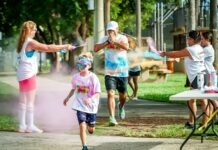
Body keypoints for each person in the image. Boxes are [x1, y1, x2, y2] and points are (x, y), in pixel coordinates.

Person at [16, 20, 75, 133]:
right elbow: (47, 48)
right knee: (30, 101)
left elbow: (47, 47)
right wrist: (66, 46)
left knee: (23, 101)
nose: (35, 31)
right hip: (28, 74)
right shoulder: (30, 42)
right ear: (29, 30)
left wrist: (58, 48)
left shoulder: (22, 42)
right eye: (34, 30)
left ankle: (22, 125)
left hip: (22, 74)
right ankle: (30, 125)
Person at [159, 30, 209, 129]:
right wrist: (180, 58)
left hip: (198, 77)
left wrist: (164, 53)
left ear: (193, 39)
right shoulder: (198, 48)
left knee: (202, 100)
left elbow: (176, 53)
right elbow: (187, 56)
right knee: (192, 100)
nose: (187, 40)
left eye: (189, 39)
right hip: (200, 75)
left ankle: (204, 124)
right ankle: (193, 123)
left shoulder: (192, 49)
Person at [94, 21, 129, 126]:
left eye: (113, 30)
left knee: (123, 96)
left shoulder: (122, 38)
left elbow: (127, 48)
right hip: (109, 72)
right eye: (109, 30)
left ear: (117, 30)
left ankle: (121, 106)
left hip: (122, 72)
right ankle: (112, 118)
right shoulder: (104, 39)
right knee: (110, 93)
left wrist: (115, 42)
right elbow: (95, 49)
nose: (111, 32)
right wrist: (107, 43)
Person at [63, 52, 101, 150]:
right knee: (82, 125)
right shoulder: (75, 77)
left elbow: (97, 93)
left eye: (83, 65)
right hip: (80, 105)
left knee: (91, 129)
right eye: (79, 65)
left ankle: (91, 125)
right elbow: (73, 89)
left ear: (89, 65)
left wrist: (90, 99)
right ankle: (84, 146)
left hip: (91, 106)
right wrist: (67, 98)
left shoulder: (93, 78)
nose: (81, 67)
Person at [201, 31, 218, 114]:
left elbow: (195, 55)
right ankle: (210, 120)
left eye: (202, 39)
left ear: (207, 39)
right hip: (208, 74)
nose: (201, 41)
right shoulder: (207, 48)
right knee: (210, 99)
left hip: (209, 75)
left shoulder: (207, 49)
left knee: (211, 98)